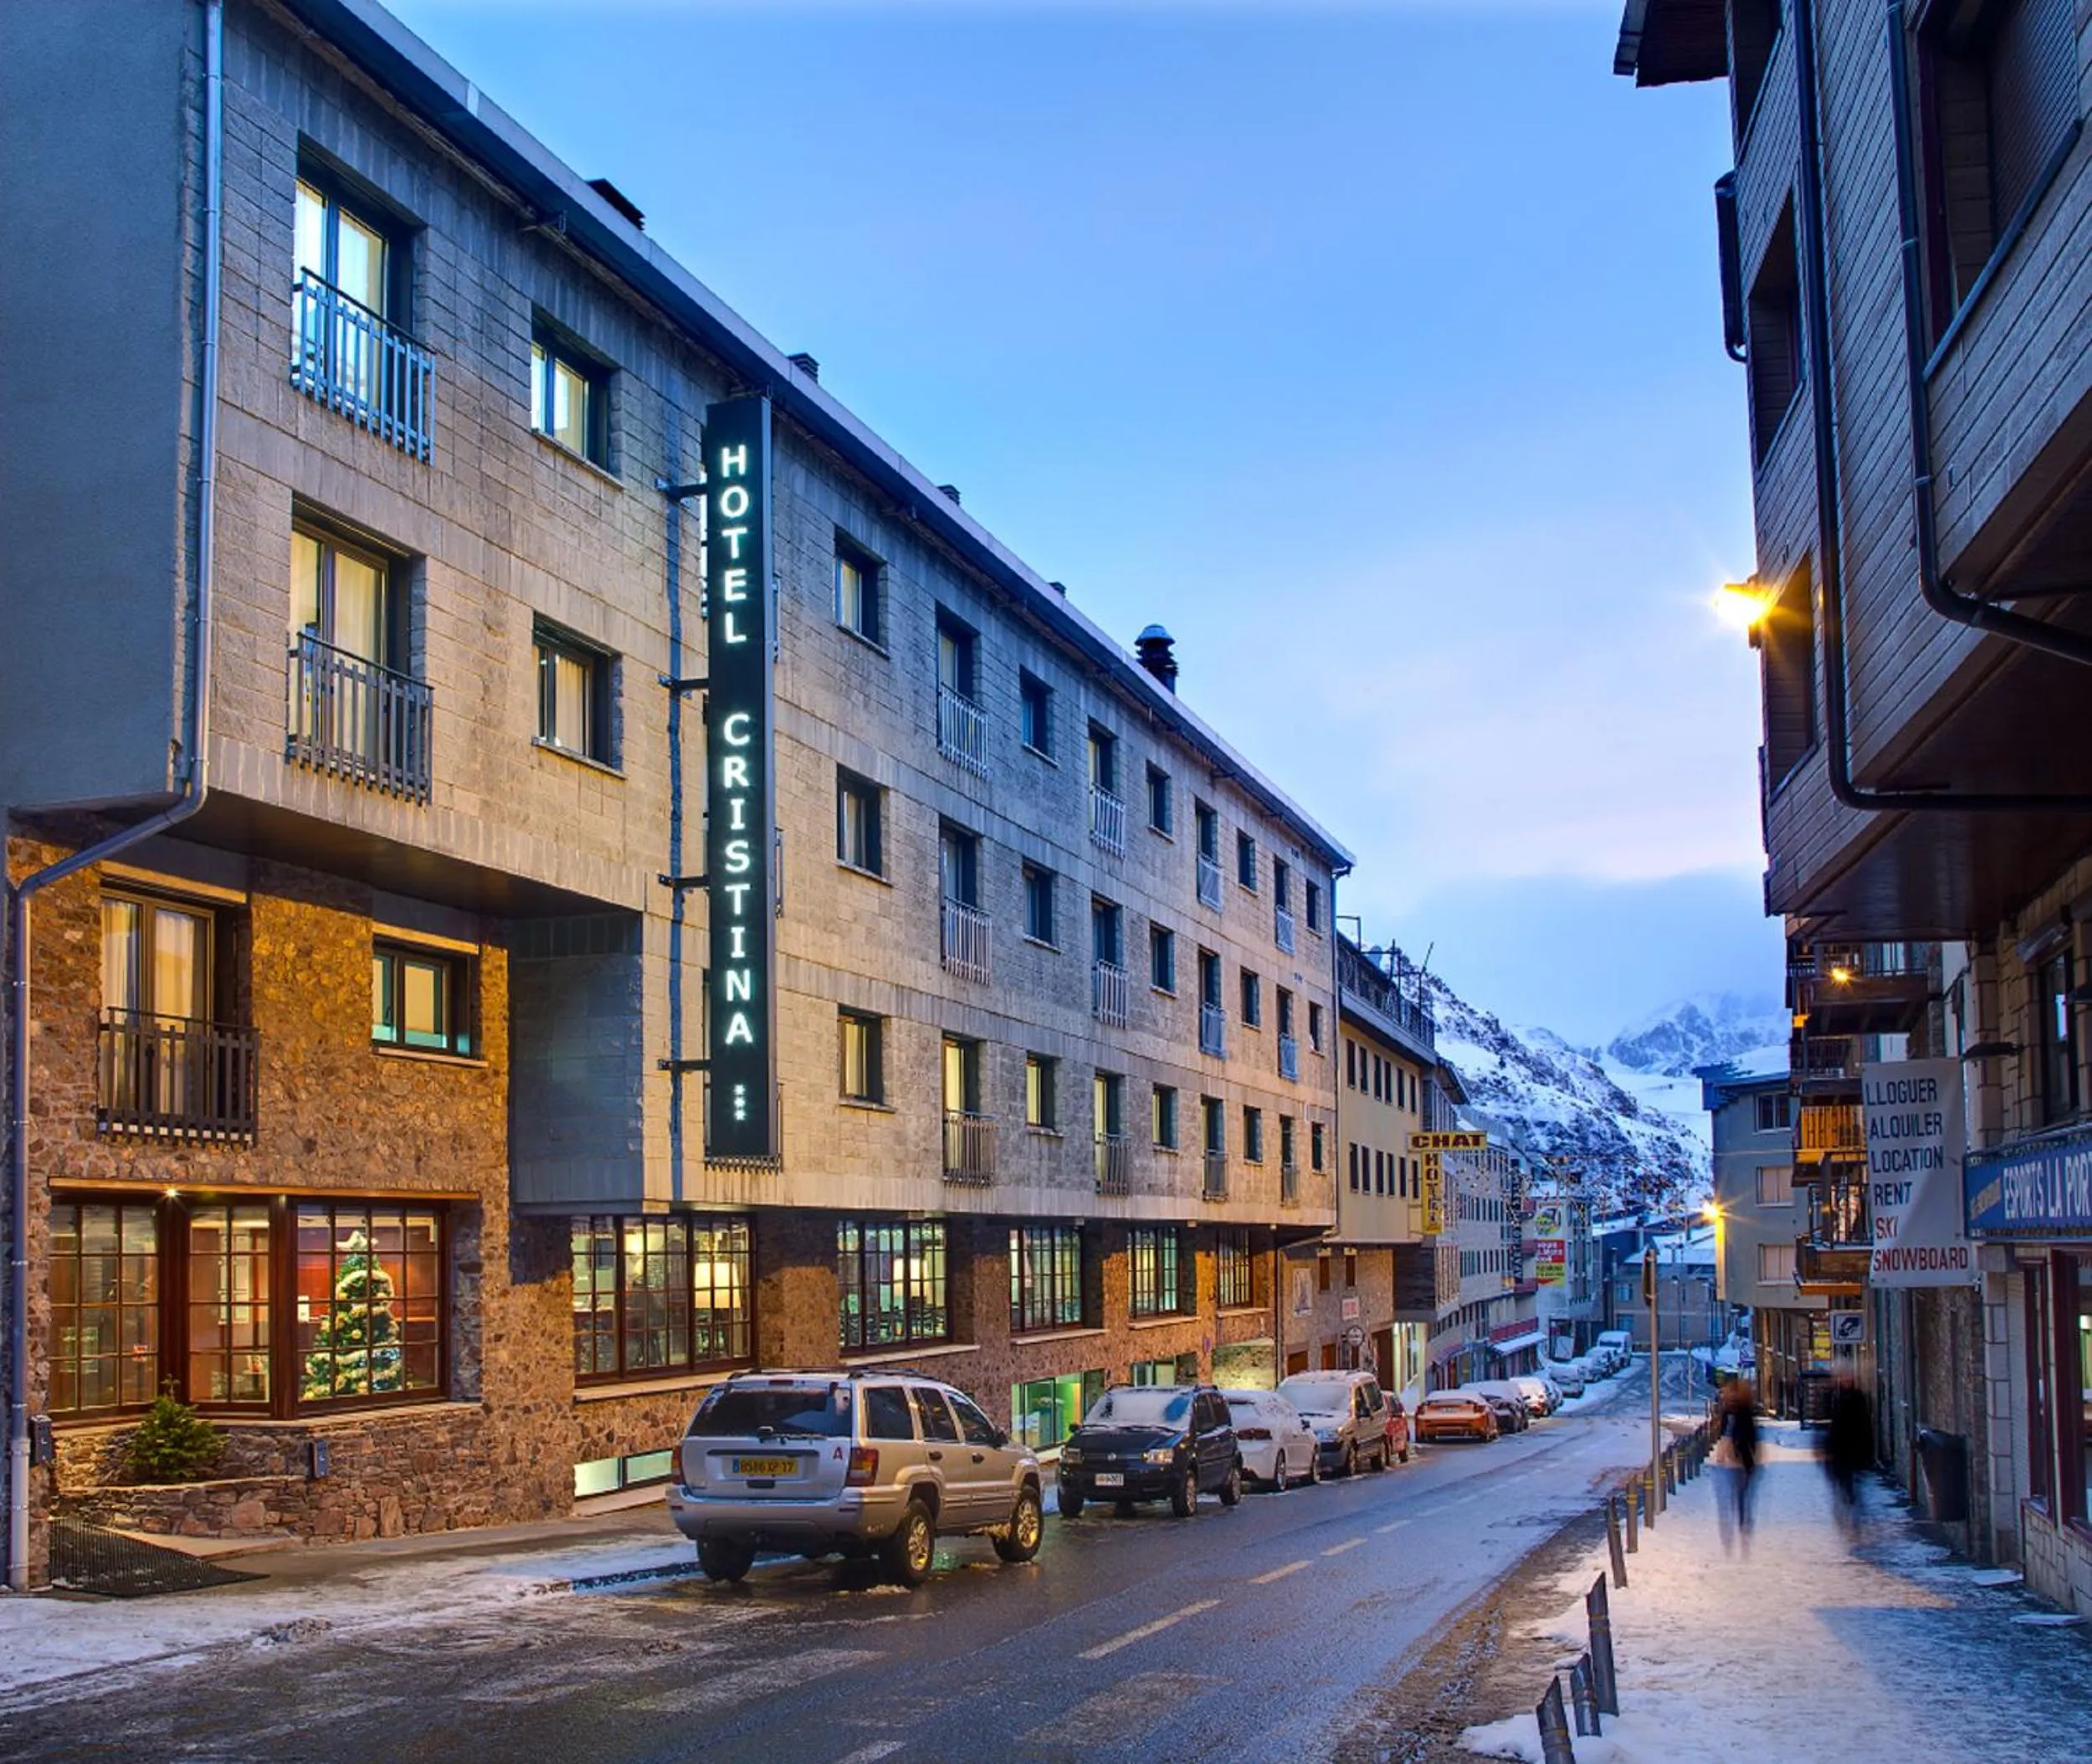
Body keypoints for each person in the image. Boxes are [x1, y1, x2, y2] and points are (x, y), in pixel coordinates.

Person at [1711, 1377, 1760, 1551]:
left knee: (1740, 1501)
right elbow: (1724, 1435)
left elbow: (1750, 1438)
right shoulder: (1726, 1414)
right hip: (1727, 1466)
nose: (1731, 1398)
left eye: (1734, 1395)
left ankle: (1743, 1534)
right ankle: (1729, 1540)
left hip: (1742, 1464)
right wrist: (1721, 1455)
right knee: (1726, 1502)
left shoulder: (1745, 1414)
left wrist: (1746, 1456)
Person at [1823, 1371, 1873, 1534]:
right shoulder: (1838, 1398)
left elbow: (1864, 1425)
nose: (1846, 1381)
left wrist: (1866, 1449)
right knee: (1845, 1484)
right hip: (1842, 1450)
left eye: (1848, 1378)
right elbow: (1834, 1426)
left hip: (1852, 1449)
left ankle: (1852, 1516)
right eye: (1844, 1378)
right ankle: (1848, 1513)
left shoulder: (1855, 1399)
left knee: (1850, 1485)